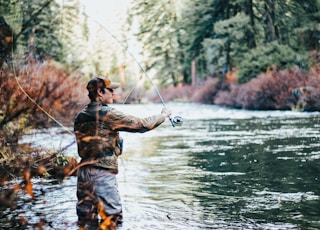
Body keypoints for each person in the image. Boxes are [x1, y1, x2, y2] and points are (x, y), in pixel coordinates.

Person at [74, 76, 171, 228]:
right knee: (113, 220)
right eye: (110, 90)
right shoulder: (109, 114)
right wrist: (163, 116)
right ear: (100, 92)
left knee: (86, 221)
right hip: (102, 174)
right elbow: (142, 125)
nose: (113, 93)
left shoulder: (80, 115)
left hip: (83, 173)